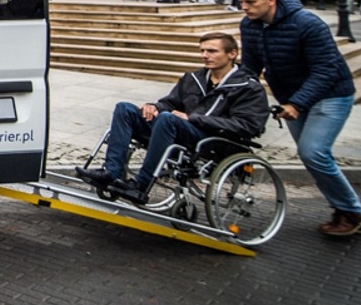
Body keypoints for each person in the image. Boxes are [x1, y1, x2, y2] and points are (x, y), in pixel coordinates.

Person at [239, 0, 361, 237]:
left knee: (313, 152)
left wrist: (297, 103)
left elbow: (326, 69)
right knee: (313, 156)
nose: (244, 7)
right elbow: (251, 67)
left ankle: (353, 213)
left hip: (331, 95)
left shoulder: (307, 23)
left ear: (271, 0)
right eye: (241, 2)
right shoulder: (250, 25)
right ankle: (343, 209)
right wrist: (230, 91)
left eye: (250, 2)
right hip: (291, 97)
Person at [75, 31, 268, 202]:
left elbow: (248, 126)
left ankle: (140, 186)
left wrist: (192, 118)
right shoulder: (193, 78)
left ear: (232, 54)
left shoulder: (248, 87)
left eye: (211, 51)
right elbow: (170, 103)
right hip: (178, 129)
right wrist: (155, 106)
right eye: (202, 51)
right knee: (125, 109)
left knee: (168, 119)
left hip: (213, 139)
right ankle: (111, 173)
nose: (205, 56)